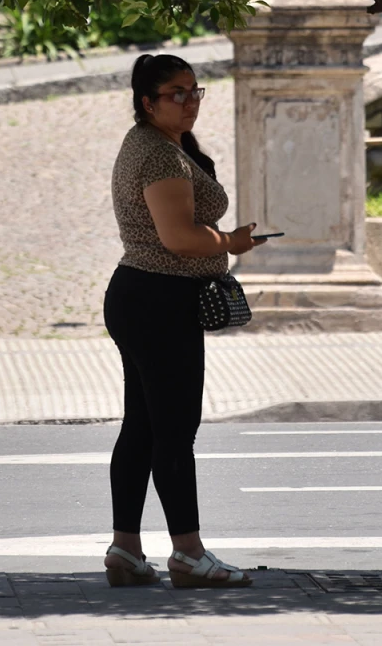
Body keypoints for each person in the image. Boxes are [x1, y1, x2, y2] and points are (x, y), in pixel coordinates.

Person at [102, 54, 265, 589]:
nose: (190, 101)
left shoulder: (153, 145)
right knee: (174, 431)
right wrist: (232, 243)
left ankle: (126, 549)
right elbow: (179, 238)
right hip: (158, 298)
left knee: (145, 427)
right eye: (177, 93)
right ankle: (188, 555)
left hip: (144, 295)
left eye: (196, 90)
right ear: (147, 102)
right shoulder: (159, 157)